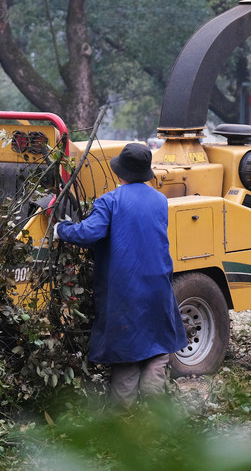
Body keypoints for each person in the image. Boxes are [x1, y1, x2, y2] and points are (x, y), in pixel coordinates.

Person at [56, 142, 187, 409]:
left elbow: (90, 233)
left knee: (127, 357)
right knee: (157, 348)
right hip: (158, 287)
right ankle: (155, 414)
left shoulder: (111, 201)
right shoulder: (160, 201)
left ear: (120, 173)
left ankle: (123, 423)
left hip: (126, 291)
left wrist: (62, 229)